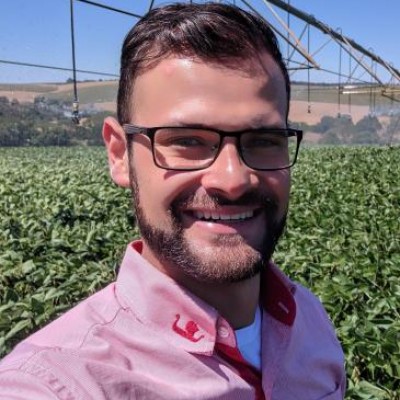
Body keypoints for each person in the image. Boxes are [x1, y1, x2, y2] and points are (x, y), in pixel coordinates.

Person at [0, 3, 346, 399]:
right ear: (120, 155)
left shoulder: (309, 319)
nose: (233, 180)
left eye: (263, 141)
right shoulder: (56, 383)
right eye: (187, 140)